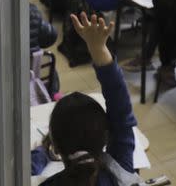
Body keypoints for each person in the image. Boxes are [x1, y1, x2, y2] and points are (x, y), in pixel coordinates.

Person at [31, 13, 140, 185]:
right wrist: (98, 49)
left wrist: (40, 153)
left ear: (56, 148)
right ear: (106, 136)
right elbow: (121, 113)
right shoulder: (119, 174)